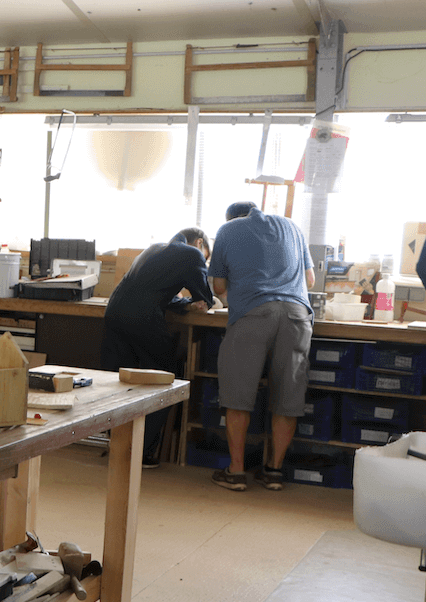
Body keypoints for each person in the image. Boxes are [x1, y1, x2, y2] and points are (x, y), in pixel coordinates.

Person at [208, 200, 314, 491]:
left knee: (238, 396)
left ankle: (237, 472)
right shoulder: (292, 226)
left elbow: (218, 287)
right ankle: (274, 472)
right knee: (287, 397)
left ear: (231, 218)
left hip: (252, 315)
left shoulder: (228, 230)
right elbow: (310, 278)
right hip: (296, 316)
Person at [101, 227, 214, 468]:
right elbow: (205, 296)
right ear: (200, 243)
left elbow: (156, 292)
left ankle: (118, 447)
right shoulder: (192, 254)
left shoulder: (153, 249)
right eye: (206, 257)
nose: (203, 262)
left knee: (122, 381)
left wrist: (184, 304)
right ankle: (141, 453)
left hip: (114, 312)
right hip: (142, 319)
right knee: (164, 379)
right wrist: (200, 301)